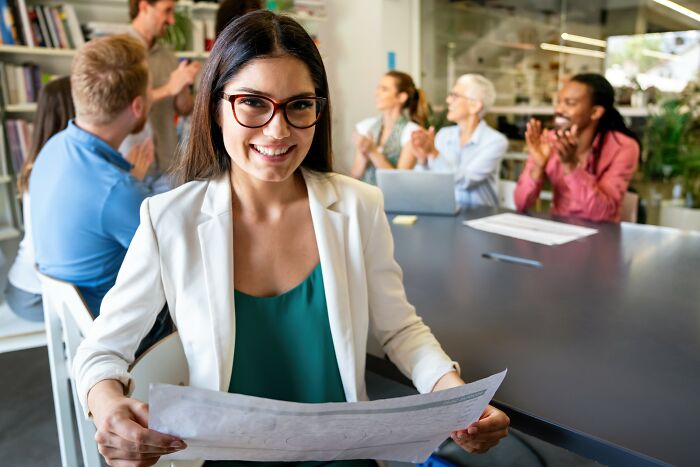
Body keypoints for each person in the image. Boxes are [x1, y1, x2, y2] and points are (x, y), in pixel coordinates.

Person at [73, 11, 510, 467]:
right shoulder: (170, 220)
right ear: (216, 108)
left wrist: (455, 396)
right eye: (254, 103)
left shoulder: (358, 206)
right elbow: (102, 349)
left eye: (300, 105)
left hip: (342, 456)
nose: (278, 130)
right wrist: (107, 408)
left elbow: (400, 329)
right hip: (227, 457)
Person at [30, 35, 155, 317]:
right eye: (150, 91)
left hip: (71, 316)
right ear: (137, 106)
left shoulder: (54, 146)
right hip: (116, 330)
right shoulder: (119, 190)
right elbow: (177, 260)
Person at [514, 73, 640, 222]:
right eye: (558, 102)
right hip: (558, 231)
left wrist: (571, 166)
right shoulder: (548, 141)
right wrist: (538, 166)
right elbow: (521, 203)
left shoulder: (623, 147)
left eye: (570, 103)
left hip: (602, 236)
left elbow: (601, 213)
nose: (559, 110)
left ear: (595, 112)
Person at [125, 0, 202, 192]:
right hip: (133, 164)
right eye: (167, 11)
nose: (172, 20)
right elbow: (123, 105)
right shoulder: (119, 52)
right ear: (144, 7)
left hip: (168, 167)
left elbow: (184, 108)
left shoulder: (168, 57)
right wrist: (169, 88)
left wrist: (183, 87)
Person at [411, 74, 508, 208]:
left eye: (454, 96)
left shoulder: (495, 142)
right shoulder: (444, 135)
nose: (448, 100)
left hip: (479, 217)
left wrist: (433, 153)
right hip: (444, 212)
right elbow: (426, 183)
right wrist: (423, 161)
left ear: (475, 106)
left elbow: (465, 181)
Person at [351, 71, 427, 185]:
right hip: (366, 198)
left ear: (401, 97)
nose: (377, 93)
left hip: (392, 201)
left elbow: (399, 182)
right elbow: (355, 175)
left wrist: (372, 152)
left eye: (384, 89)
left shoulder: (412, 133)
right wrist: (363, 155)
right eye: (378, 88)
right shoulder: (366, 126)